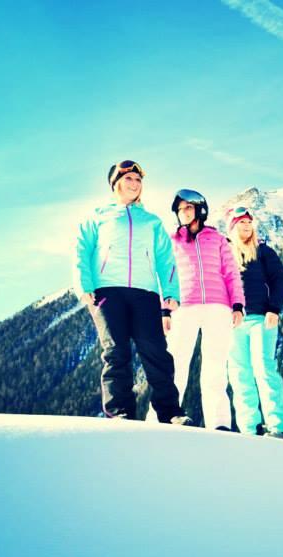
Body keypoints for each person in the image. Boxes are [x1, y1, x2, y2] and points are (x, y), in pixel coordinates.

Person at [72, 159, 192, 426]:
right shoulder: (97, 217)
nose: (135, 184)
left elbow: (165, 259)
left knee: (156, 351)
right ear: (115, 183)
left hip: (144, 292)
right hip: (106, 292)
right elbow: (82, 251)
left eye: (138, 180)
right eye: (128, 179)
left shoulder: (151, 221)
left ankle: (171, 412)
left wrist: (170, 292)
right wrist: (84, 286)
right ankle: (120, 412)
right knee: (116, 351)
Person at [165, 189, 245, 430]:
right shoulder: (172, 241)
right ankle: (163, 417)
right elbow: (166, 276)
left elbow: (231, 273)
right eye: (180, 209)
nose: (183, 212)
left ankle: (219, 423)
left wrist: (238, 304)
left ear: (200, 210)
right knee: (175, 362)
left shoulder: (218, 239)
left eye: (188, 207)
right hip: (184, 306)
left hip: (217, 307)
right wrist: (164, 310)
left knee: (215, 366)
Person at [225, 207, 283, 438]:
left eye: (249, 222)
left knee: (264, 369)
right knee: (239, 373)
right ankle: (249, 428)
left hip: (261, 319)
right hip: (233, 322)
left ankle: (278, 426)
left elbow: (279, 280)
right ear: (232, 227)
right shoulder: (225, 253)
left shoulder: (263, 251)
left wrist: (274, 308)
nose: (246, 226)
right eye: (241, 222)